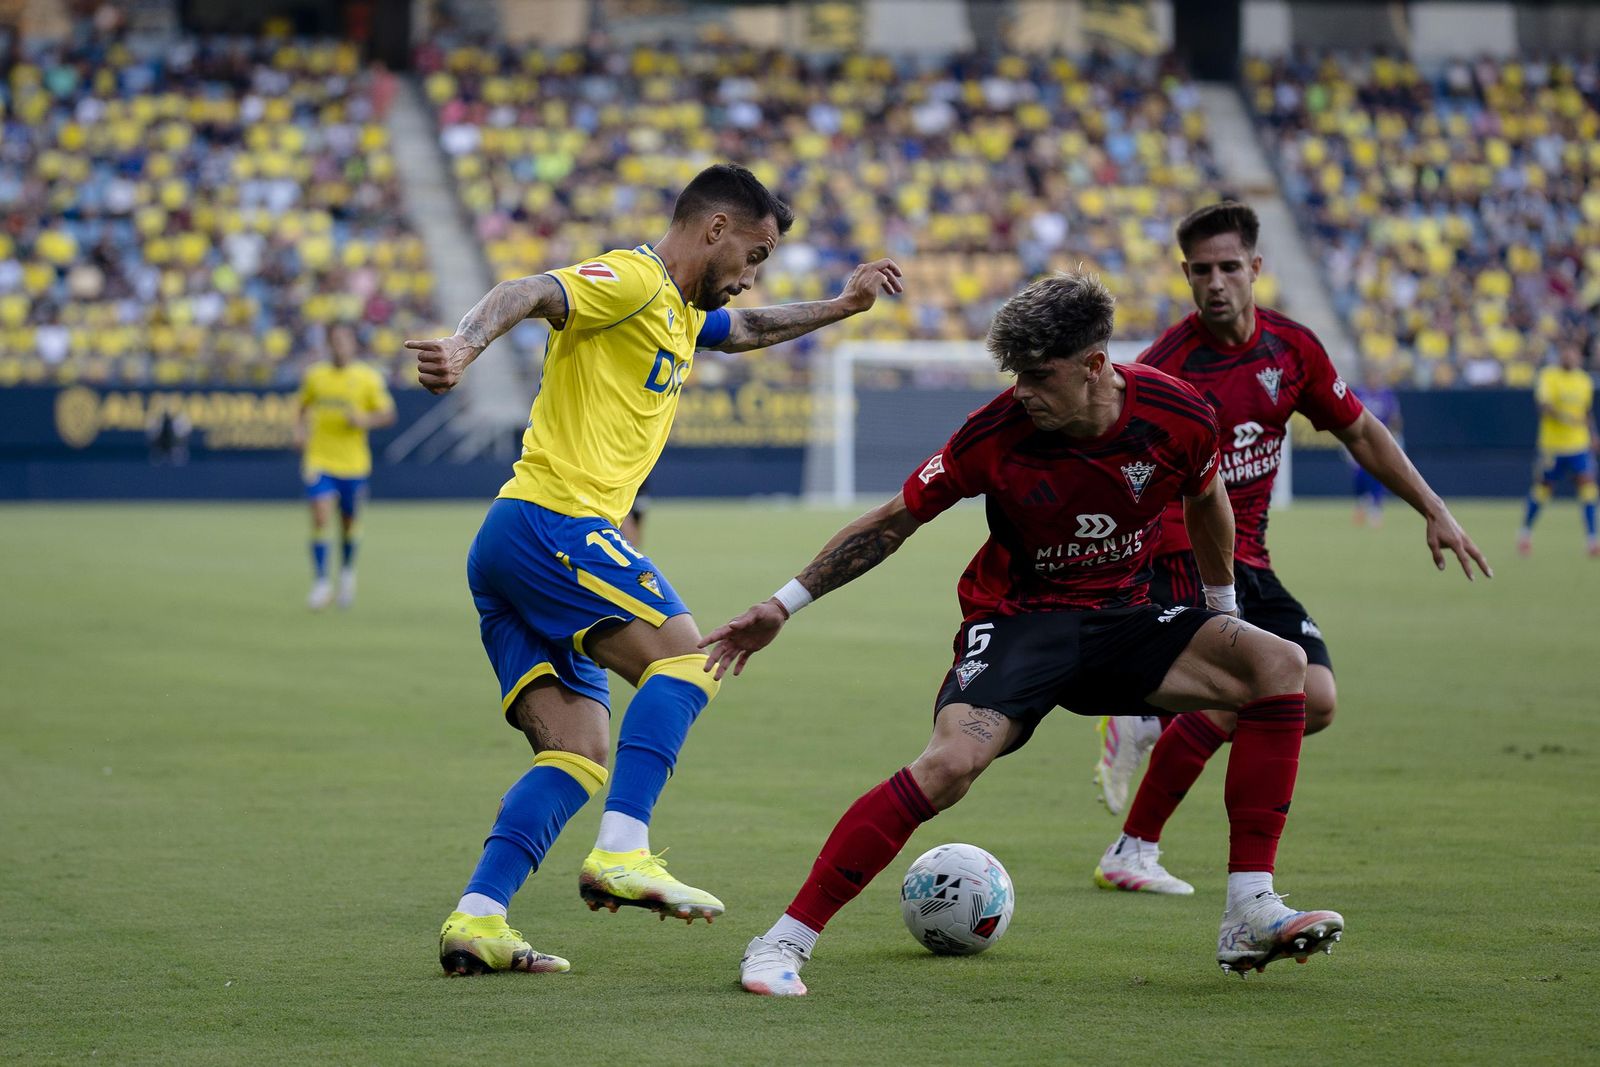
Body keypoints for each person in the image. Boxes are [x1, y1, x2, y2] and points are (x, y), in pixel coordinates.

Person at [705, 271, 1343, 996]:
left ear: (1096, 364)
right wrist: (783, 604)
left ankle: (1249, 909)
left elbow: (1208, 502)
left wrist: (1222, 608)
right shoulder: (996, 434)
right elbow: (894, 520)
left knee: (1279, 663)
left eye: (1040, 375)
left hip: (1125, 621)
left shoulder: (1178, 414)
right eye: (1015, 375)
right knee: (948, 765)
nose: (1024, 392)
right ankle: (783, 939)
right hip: (1017, 624)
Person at [404, 163, 902, 976]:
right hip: (553, 522)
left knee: (577, 748)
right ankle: (623, 847)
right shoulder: (634, 279)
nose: (752, 277)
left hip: (515, 541)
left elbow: (745, 332)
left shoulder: (678, 308)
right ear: (715, 229)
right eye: (756, 255)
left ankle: (479, 917)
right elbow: (530, 289)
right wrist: (465, 342)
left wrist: (842, 307)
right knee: (689, 656)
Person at [1088, 202, 1490, 897]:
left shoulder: (1291, 348)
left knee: (1319, 699)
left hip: (1252, 559)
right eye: (1202, 270)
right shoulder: (1166, 367)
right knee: (1250, 688)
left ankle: (1150, 732)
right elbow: (1120, 472)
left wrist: (1435, 508)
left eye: (1229, 267)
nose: (1216, 282)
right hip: (1187, 556)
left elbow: (1360, 432)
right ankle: (1139, 838)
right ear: (1185, 274)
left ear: (1256, 269)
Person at [294, 322, 396, 611]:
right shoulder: (316, 376)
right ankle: (322, 582)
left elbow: (388, 414)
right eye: (335, 340)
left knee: (348, 522)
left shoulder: (366, 378)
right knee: (320, 513)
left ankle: (347, 574)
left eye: (345, 340)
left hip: (353, 463)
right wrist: (299, 431)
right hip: (319, 459)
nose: (340, 345)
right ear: (329, 343)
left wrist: (365, 421)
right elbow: (302, 407)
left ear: (353, 344)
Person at [1517, 345, 1597, 558]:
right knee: (1543, 489)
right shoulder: (1548, 376)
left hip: (1578, 445)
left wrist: (1593, 434)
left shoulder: (1584, 380)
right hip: (1552, 447)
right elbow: (1543, 407)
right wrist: (1566, 417)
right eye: (1566, 352)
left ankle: (1592, 540)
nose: (1569, 355)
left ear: (1579, 357)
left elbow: (1586, 412)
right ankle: (1525, 534)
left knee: (1588, 486)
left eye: (1573, 353)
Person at [1351, 367, 1402, 528]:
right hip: (1360, 440)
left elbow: (1395, 419)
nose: (1374, 380)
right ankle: (1361, 502)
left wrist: (1395, 438)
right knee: (1359, 475)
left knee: (1379, 475)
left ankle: (1376, 510)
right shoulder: (1359, 393)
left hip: (1380, 442)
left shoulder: (1387, 395)